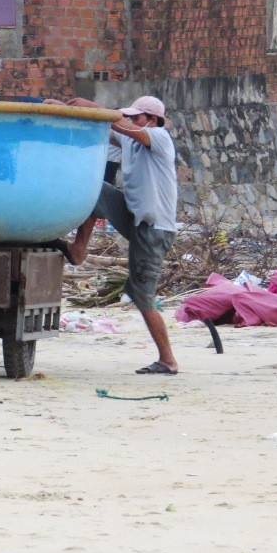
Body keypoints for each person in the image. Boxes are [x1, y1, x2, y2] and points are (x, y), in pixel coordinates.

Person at [55, 95, 179, 375]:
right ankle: (79, 249)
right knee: (95, 189)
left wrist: (87, 105)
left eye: (137, 117)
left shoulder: (159, 137)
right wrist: (64, 110)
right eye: (131, 116)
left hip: (155, 229)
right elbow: (106, 128)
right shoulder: (132, 142)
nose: (132, 120)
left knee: (141, 295)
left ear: (152, 120)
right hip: (135, 217)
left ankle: (168, 359)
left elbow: (116, 123)